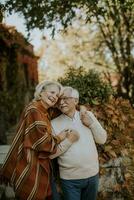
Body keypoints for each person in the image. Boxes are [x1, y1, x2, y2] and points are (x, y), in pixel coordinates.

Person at [0, 81, 79, 200]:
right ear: (41, 92)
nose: (54, 97)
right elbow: (44, 144)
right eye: (52, 92)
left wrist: (80, 108)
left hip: (41, 166)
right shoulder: (34, 110)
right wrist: (60, 137)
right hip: (30, 165)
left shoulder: (44, 111)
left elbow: (67, 109)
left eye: (57, 95)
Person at [51, 86, 107, 200]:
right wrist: (69, 141)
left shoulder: (87, 115)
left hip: (92, 176)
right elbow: (51, 153)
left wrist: (91, 124)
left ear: (76, 100)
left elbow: (102, 139)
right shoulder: (53, 124)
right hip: (70, 180)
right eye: (59, 99)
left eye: (65, 98)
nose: (61, 102)